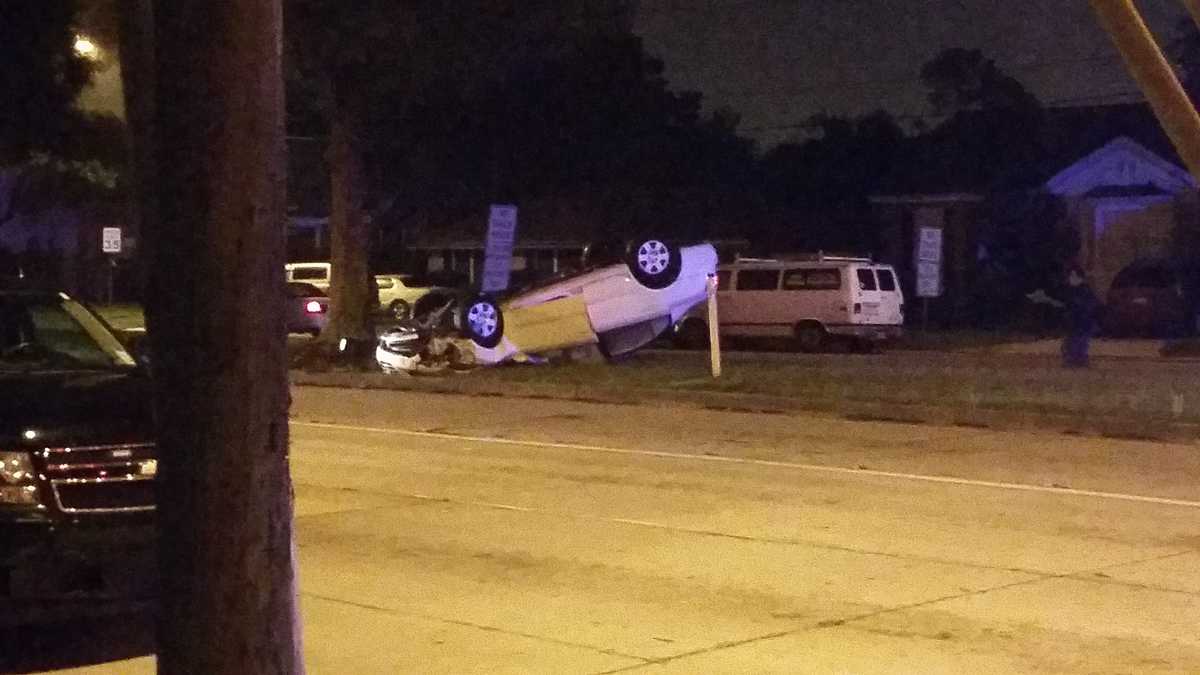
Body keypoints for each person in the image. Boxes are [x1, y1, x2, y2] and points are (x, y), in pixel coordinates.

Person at [1060, 266, 1100, 368]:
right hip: (1074, 323)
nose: (1071, 279)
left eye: (1074, 276)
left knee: (1080, 343)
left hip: (1084, 323)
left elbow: (1091, 306)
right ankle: (1072, 360)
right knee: (1071, 343)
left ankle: (1079, 360)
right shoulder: (1069, 291)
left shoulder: (1085, 291)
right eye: (1070, 276)